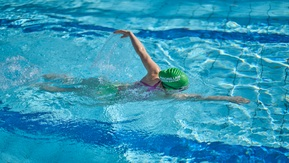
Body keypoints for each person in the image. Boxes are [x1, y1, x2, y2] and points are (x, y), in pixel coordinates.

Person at [38, 30, 250, 104]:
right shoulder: (168, 95)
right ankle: (37, 85)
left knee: (74, 82)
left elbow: (143, 53)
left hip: (112, 86)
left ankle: (47, 77)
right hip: (110, 96)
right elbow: (200, 98)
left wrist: (131, 34)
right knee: (68, 92)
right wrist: (230, 98)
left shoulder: (155, 74)